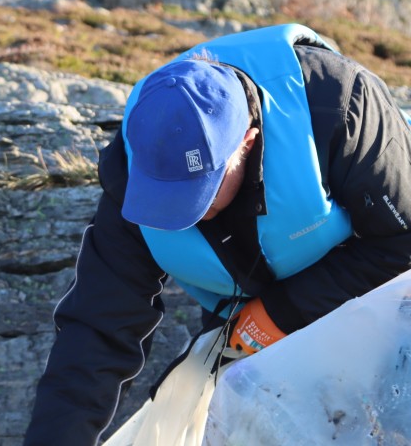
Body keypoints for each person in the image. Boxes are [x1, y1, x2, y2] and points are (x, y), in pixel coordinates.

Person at [23, 23, 411, 445]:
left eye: (198, 195)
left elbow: (404, 243)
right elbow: (96, 330)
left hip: (384, 299)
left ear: (246, 142)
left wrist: (280, 314)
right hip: (247, 301)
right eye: (164, 199)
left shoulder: (340, 104)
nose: (182, 216)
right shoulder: (139, 166)